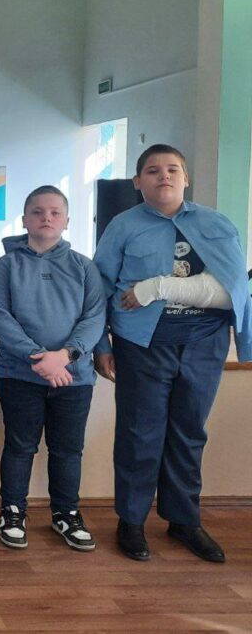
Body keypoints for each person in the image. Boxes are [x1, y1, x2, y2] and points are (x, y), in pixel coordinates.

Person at [94, 144, 252, 563]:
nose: (163, 176)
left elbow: (234, 288)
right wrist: (101, 345)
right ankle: (131, 522)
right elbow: (98, 289)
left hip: (204, 344)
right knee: (138, 433)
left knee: (189, 432)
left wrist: (159, 287)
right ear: (137, 181)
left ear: (186, 178)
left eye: (172, 169)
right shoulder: (123, 227)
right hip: (141, 344)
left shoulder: (217, 224)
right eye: (152, 170)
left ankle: (184, 520)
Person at [0, 186, 105, 552]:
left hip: (74, 377)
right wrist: (40, 358)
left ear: (67, 220)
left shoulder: (84, 267)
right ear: (25, 220)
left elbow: (95, 317)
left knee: (68, 450)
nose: (46, 218)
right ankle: (13, 512)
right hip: (20, 375)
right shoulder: (6, 266)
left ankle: (66, 514)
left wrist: (65, 355)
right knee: (20, 446)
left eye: (55, 212)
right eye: (38, 212)